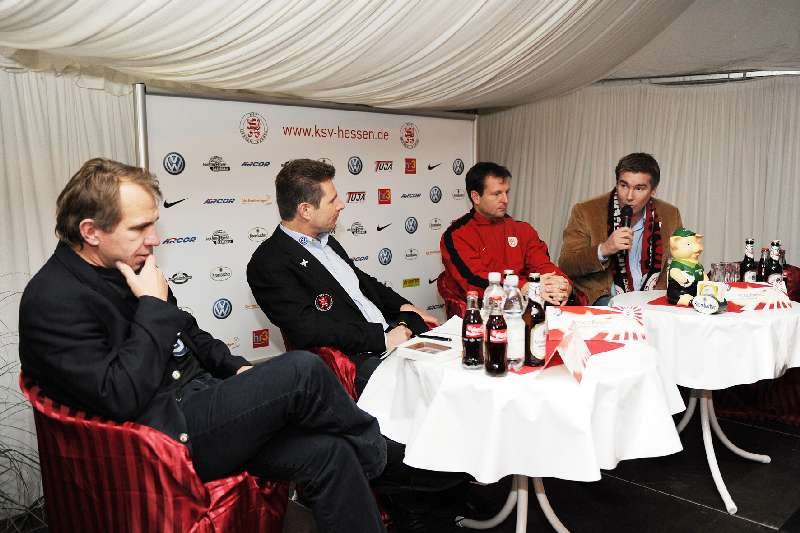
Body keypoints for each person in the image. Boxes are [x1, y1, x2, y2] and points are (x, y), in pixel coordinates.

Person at [18, 158, 388, 533]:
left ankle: (361, 455)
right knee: (304, 370)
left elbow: (189, 335)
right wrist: (150, 307)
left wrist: (236, 368)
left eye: (154, 224)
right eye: (140, 227)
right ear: (91, 231)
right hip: (162, 440)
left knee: (331, 454)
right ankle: (378, 452)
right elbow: (120, 396)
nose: (154, 239)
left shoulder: (126, 264)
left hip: (202, 403)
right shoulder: (53, 299)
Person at [247, 158, 439, 394]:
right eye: (332, 200)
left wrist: (405, 305)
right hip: (359, 358)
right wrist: (382, 339)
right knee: (436, 389)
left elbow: (363, 283)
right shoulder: (268, 262)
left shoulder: (328, 242)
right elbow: (308, 328)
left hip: (392, 336)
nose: (341, 204)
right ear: (305, 210)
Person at [558, 152, 683, 305]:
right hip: (605, 299)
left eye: (639, 188)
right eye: (623, 185)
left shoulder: (670, 214)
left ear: (653, 190)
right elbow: (566, 264)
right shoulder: (586, 211)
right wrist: (604, 249)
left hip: (653, 299)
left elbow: (680, 261)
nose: (629, 196)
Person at [439, 161, 571, 305]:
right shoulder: (457, 235)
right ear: (476, 197)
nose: (505, 200)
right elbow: (473, 280)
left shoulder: (522, 230)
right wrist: (524, 287)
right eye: (497, 194)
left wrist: (563, 285)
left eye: (506, 192)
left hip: (526, 305)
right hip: (484, 310)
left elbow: (542, 266)